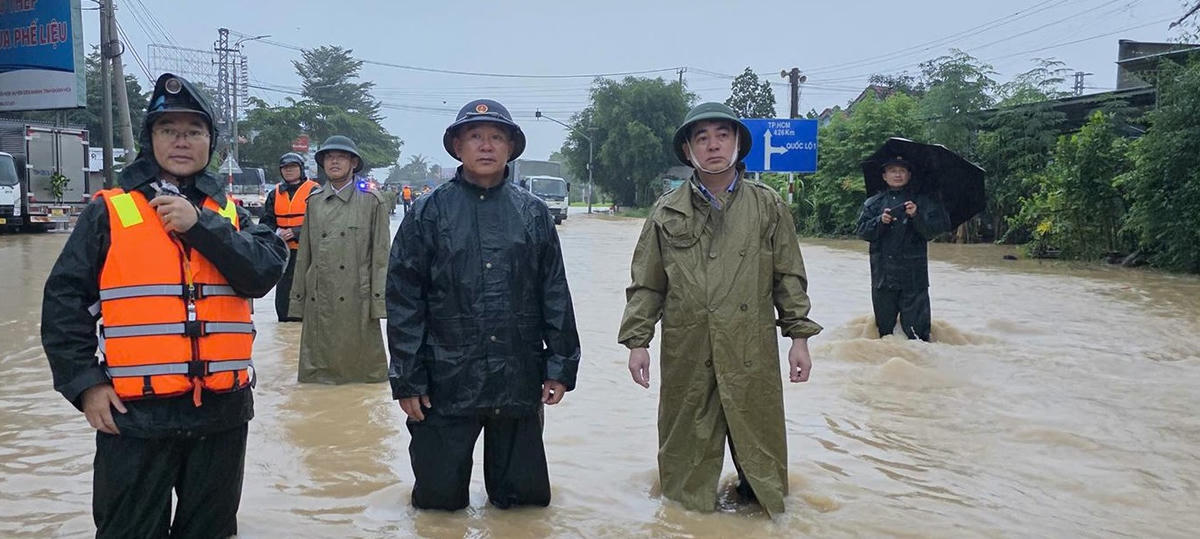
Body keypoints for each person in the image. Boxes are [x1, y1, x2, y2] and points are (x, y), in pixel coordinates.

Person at [41, 73, 288, 538]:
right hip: (136, 420)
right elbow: (62, 305)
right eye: (168, 130)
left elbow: (263, 273)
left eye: (193, 131)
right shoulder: (110, 211)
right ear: (149, 138)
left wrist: (199, 226)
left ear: (210, 142)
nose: (181, 141)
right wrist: (85, 384)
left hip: (222, 415)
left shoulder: (232, 214)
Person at [617, 102, 822, 517]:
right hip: (688, 350)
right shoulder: (665, 210)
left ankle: (762, 512)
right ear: (689, 151)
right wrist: (637, 342)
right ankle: (684, 519)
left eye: (722, 135)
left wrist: (799, 339)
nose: (713, 145)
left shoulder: (768, 206)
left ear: (737, 144)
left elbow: (789, 276)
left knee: (761, 459)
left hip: (750, 349)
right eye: (702, 138)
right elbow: (647, 284)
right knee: (684, 468)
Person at [387, 99, 581, 511]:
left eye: (496, 137)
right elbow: (404, 301)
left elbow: (555, 294)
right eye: (475, 136)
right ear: (458, 146)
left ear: (511, 147)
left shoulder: (533, 214)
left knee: (524, 509)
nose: (486, 146)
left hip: (517, 376)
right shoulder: (427, 213)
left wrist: (560, 367)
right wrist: (407, 379)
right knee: (437, 507)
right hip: (444, 381)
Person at [288, 135, 391, 384]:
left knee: (364, 381)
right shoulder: (313, 202)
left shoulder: (372, 201)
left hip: (357, 297)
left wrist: (379, 303)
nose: (334, 162)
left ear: (353, 163)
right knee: (316, 383)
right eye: (329, 158)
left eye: (341, 157)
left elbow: (381, 257)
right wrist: (297, 301)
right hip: (320, 298)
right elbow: (305, 257)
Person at [854, 155, 950, 341]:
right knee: (885, 335)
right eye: (892, 171)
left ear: (909, 174)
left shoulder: (922, 202)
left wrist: (917, 215)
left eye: (902, 171)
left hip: (914, 279)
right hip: (883, 278)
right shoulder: (873, 203)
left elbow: (932, 232)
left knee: (918, 335)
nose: (897, 174)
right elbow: (862, 232)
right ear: (884, 176)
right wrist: (880, 221)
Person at [260, 151, 319, 322]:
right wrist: (276, 234)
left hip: (308, 252)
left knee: (309, 288)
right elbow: (266, 222)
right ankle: (285, 322)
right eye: (285, 168)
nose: (288, 171)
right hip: (284, 252)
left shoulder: (314, 191)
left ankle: (306, 322)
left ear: (301, 169)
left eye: (292, 167)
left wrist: (296, 232)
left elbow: (321, 221)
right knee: (284, 292)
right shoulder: (275, 193)